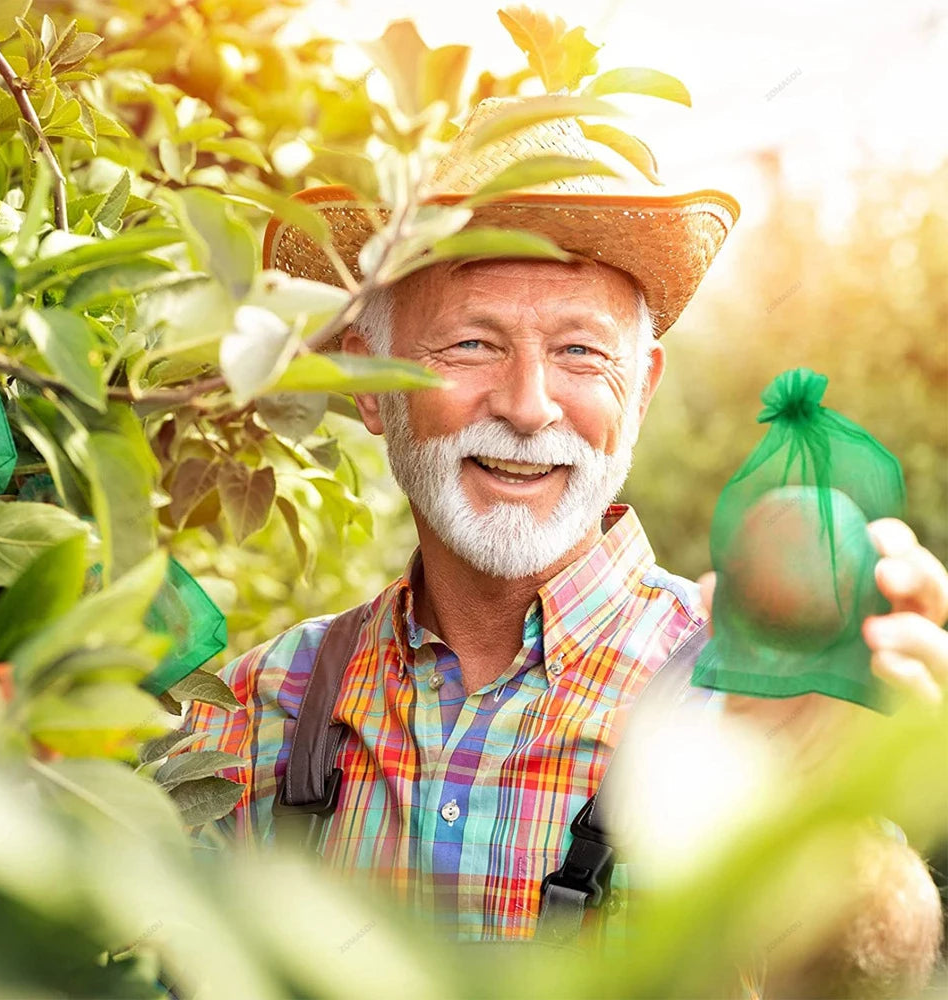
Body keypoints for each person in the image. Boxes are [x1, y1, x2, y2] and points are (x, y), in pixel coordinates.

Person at [180, 100, 947, 980]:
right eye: (472, 343)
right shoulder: (258, 707)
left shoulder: (743, 709)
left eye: (582, 353)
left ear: (644, 387)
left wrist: (848, 814)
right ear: (367, 379)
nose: (530, 404)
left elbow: (858, 979)